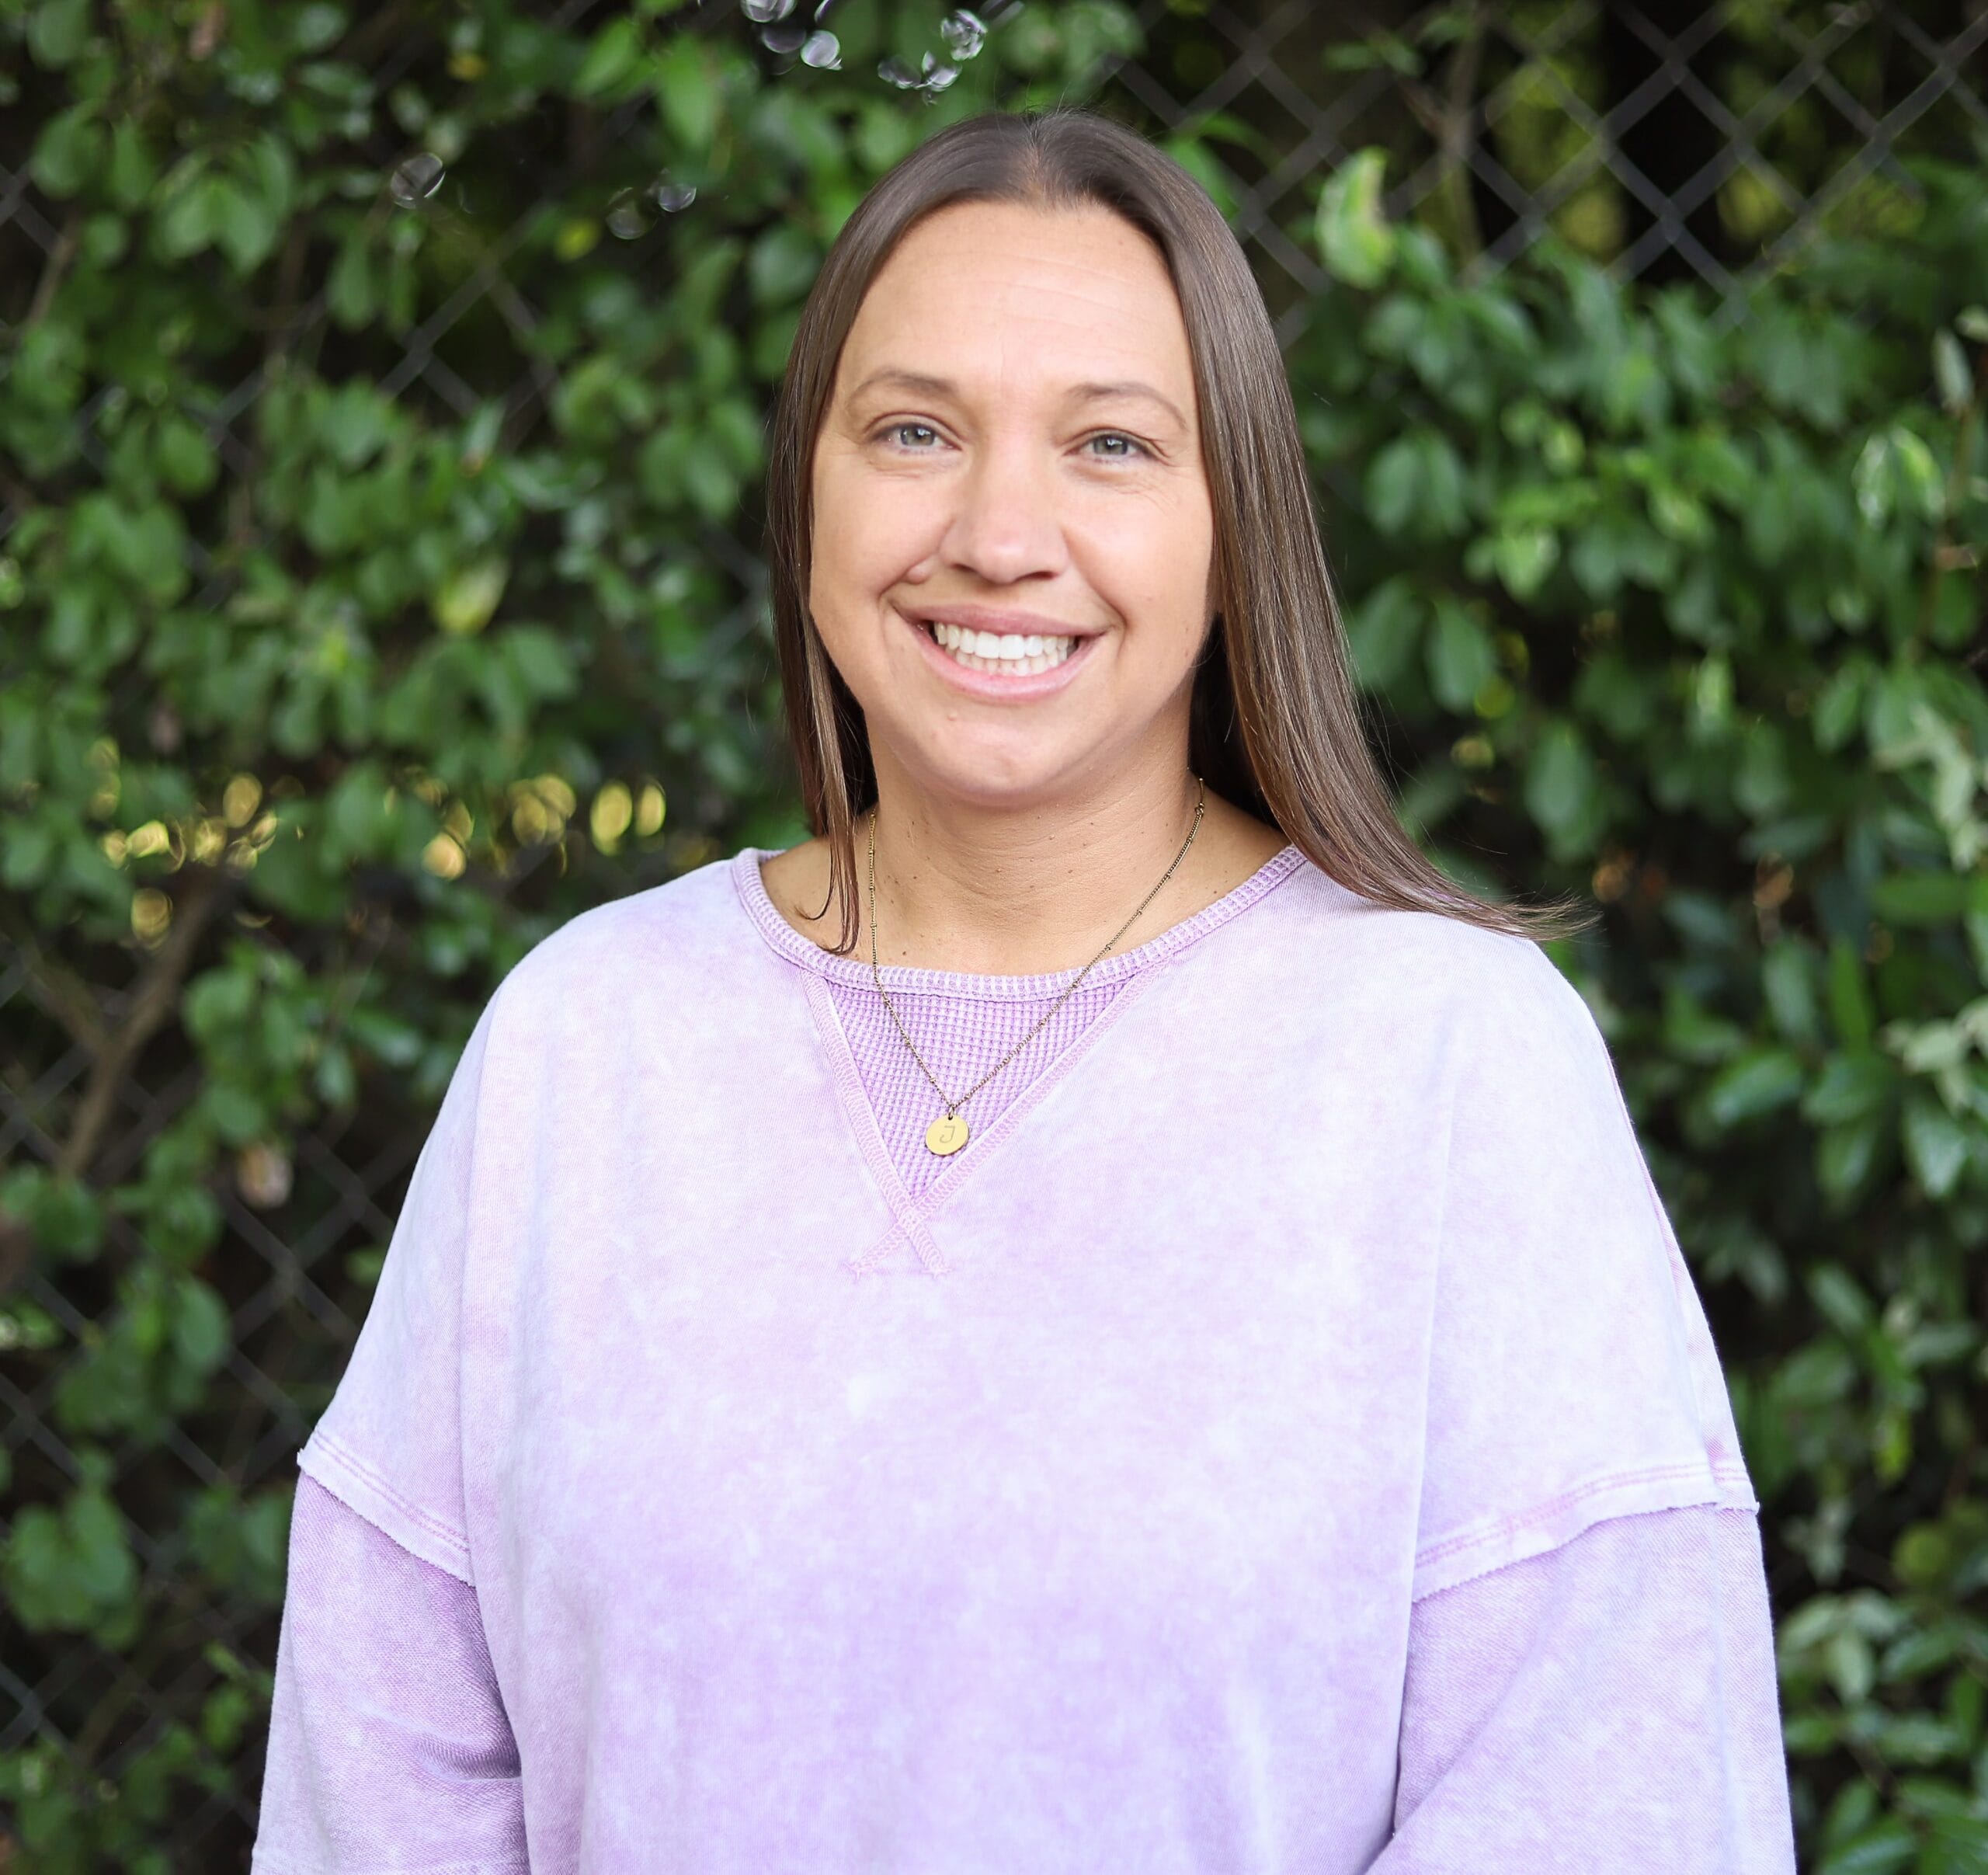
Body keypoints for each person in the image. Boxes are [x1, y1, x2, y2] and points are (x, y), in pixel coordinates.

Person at [251, 106, 1798, 1873]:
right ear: (807, 490)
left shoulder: (1450, 1062)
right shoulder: (582, 1044)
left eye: (1110, 445)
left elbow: (1611, 1797)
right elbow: (383, 1786)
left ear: (1236, 525)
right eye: (913, 429)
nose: (998, 532)